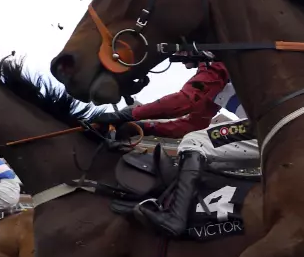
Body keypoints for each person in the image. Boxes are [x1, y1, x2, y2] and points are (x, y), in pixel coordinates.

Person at [91, 59, 257, 236]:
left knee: (194, 141)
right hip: (266, 128)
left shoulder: (216, 60)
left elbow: (185, 100)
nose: (175, 58)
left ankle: (175, 218)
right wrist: (144, 127)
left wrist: (127, 114)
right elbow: (192, 124)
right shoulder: (215, 78)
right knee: (200, 159)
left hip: (268, 125)